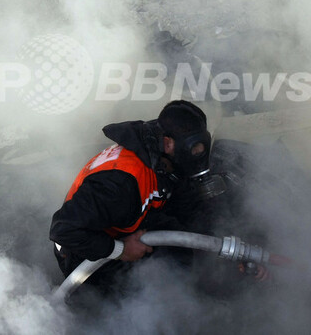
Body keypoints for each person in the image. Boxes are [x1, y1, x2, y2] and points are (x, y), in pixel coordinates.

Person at [49, 100, 212, 286]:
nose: (199, 155)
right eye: (194, 149)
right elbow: (64, 230)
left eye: (202, 147)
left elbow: (189, 207)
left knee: (179, 255)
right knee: (129, 300)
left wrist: (229, 249)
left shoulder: (163, 158)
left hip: (130, 223)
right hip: (84, 251)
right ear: (168, 143)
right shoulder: (119, 182)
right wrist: (121, 250)